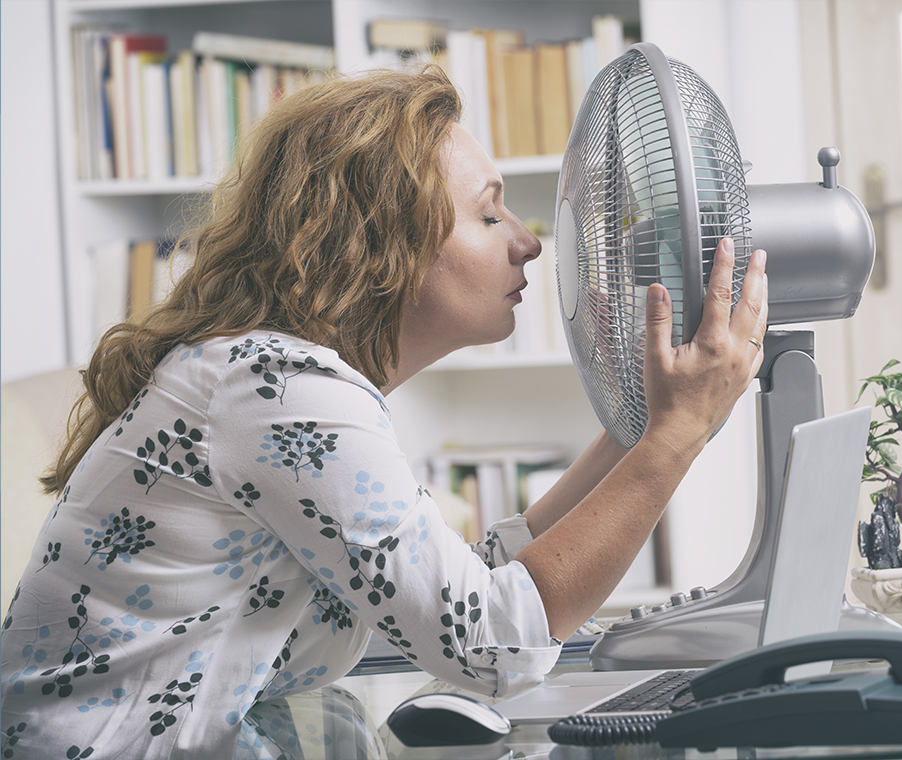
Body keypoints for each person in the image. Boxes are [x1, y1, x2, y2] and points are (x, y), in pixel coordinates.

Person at [0, 65, 768, 758]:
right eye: (489, 215)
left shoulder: (274, 381)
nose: (529, 245)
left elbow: (465, 590)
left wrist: (641, 421)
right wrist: (675, 436)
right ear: (381, 242)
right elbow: (492, 643)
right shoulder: (276, 389)